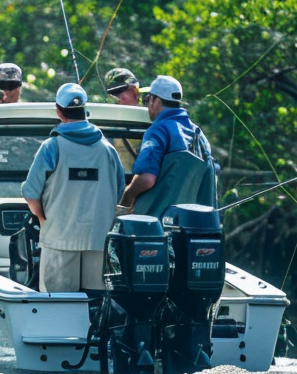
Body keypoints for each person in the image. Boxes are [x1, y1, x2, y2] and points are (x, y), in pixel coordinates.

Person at [22, 83, 126, 293]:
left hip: (58, 239)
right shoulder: (108, 150)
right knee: (94, 304)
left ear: (59, 112)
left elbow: (31, 194)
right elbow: (118, 191)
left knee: (57, 305)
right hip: (98, 239)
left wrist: (43, 220)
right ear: (85, 111)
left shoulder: (52, 147)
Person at [119, 75, 217, 217]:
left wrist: (126, 198)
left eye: (147, 99)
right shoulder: (199, 135)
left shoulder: (158, 130)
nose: (147, 105)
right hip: (191, 224)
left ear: (155, 100)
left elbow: (146, 179)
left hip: (155, 224)